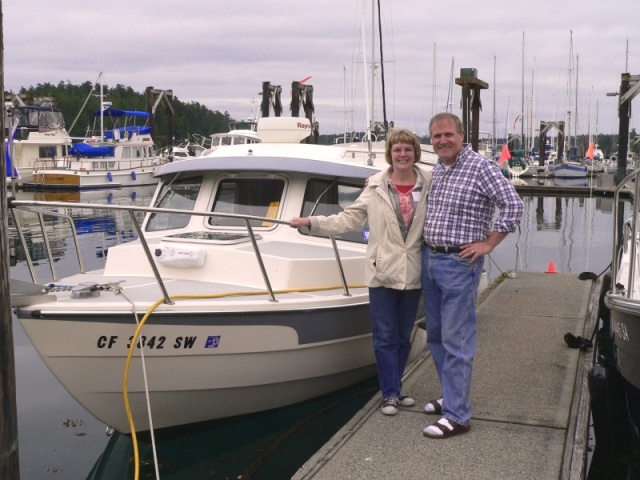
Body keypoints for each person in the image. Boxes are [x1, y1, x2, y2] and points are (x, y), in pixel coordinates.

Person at [290, 129, 432, 416]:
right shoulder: (376, 187)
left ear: (415, 153)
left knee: (404, 336)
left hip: (415, 271)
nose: (402, 154)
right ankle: (390, 394)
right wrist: (311, 222)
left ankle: (397, 387)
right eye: (397, 150)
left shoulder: (431, 183)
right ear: (389, 155)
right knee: (385, 337)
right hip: (382, 273)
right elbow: (349, 218)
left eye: (407, 149)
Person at [421, 112, 524, 439]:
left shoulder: (480, 167)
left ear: (461, 135)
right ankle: (451, 397)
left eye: (448, 135)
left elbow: (513, 205)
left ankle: (459, 416)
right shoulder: (439, 167)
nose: (442, 141)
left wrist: (489, 243)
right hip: (431, 259)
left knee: (456, 339)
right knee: (436, 336)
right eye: (436, 137)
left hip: (458, 264)